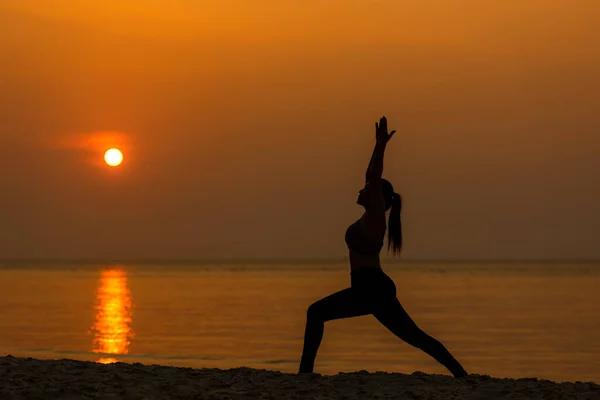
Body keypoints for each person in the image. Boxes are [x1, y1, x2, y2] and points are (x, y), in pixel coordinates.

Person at [298, 116, 468, 378]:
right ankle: (461, 374)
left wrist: (380, 145)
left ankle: (304, 376)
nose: (361, 190)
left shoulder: (376, 218)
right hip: (368, 288)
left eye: (367, 189)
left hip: (372, 288)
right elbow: (371, 178)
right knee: (415, 336)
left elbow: (372, 176)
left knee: (317, 312)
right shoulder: (368, 219)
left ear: (377, 196)